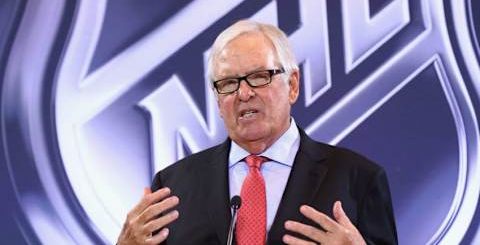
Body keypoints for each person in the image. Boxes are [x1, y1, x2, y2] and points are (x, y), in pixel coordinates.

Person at [117, 20, 397, 245]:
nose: (244, 93)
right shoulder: (173, 186)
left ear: (293, 85)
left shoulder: (358, 179)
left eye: (259, 77)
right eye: (228, 83)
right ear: (217, 100)